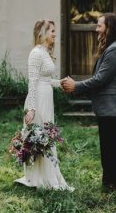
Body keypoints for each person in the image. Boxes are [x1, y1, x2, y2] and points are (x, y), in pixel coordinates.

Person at [62, 12, 116, 192]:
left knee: (115, 148)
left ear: (109, 28)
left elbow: (100, 78)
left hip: (114, 107)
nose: (96, 29)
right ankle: (110, 182)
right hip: (108, 108)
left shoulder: (115, 49)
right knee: (108, 147)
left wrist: (76, 86)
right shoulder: (112, 48)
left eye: (100, 26)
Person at [14, 19, 73, 191]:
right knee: (39, 135)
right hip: (38, 99)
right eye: (52, 31)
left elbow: (45, 80)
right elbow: (32, 83)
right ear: (42, 33)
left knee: (46, 136)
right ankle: (38, 177)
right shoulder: (36, 53)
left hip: (47, 98)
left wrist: (59, 82)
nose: (55, 34)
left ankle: (49, 175)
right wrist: (31, 108)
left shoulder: (45, 52)